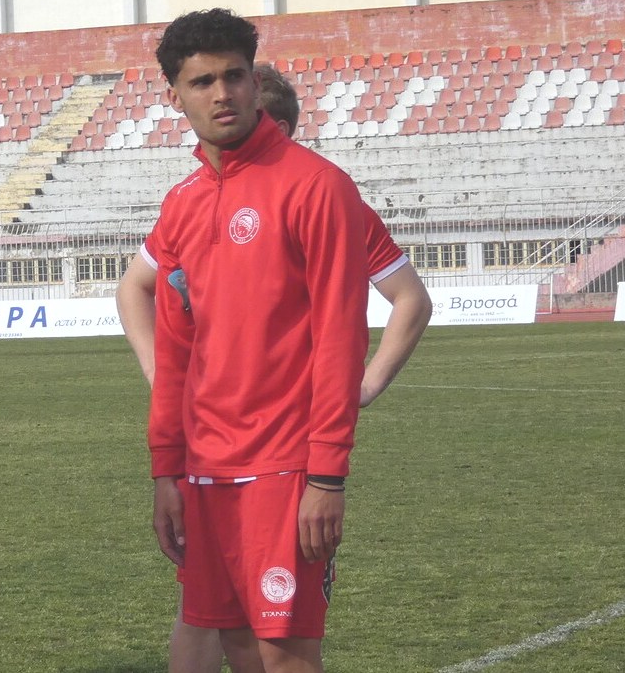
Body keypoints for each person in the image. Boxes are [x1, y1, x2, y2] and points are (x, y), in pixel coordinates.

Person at [116, 61, 432, 672]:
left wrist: (359, 394)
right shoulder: (186, 200)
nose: (224, 100)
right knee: (221, 630)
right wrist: (166, 411)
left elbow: (395, 305)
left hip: (282, 459)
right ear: (178, 97)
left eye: (237, 87)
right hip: (207, 462)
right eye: (202, 85)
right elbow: (143, 296)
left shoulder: (319, 192)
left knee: (279, 647)